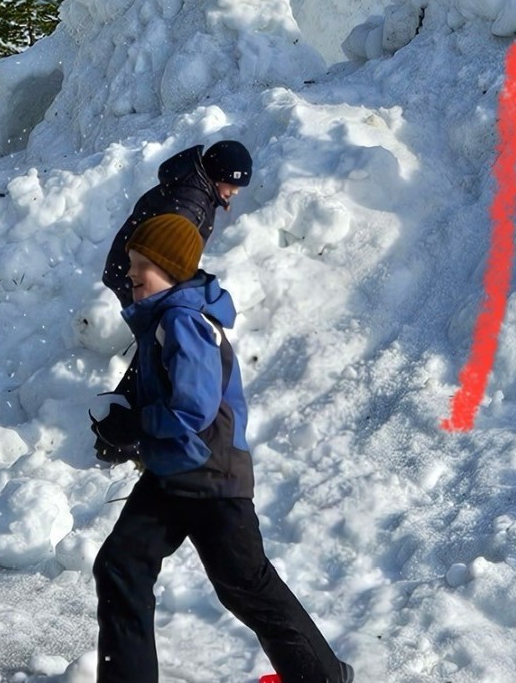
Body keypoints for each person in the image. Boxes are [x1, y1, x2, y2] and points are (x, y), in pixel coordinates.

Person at [89, 215, 351, 683]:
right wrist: (127, 418)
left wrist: (138, 424)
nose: (130, 274)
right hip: (175, 474)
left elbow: (194, 409)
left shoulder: (183, 321)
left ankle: (322, 678)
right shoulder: (165, 320)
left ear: (170, 271)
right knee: (121, 566)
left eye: (141, 265)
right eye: (131, 262)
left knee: (246, 584)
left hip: (211, 478)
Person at [101, 141, 252, 307]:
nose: (236, 191)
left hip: (133, 272)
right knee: (157, 328)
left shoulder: (194, 190)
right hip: (141, 278)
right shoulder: (190, 205)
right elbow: (163, 259)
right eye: (232, 185)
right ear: (217, 176)